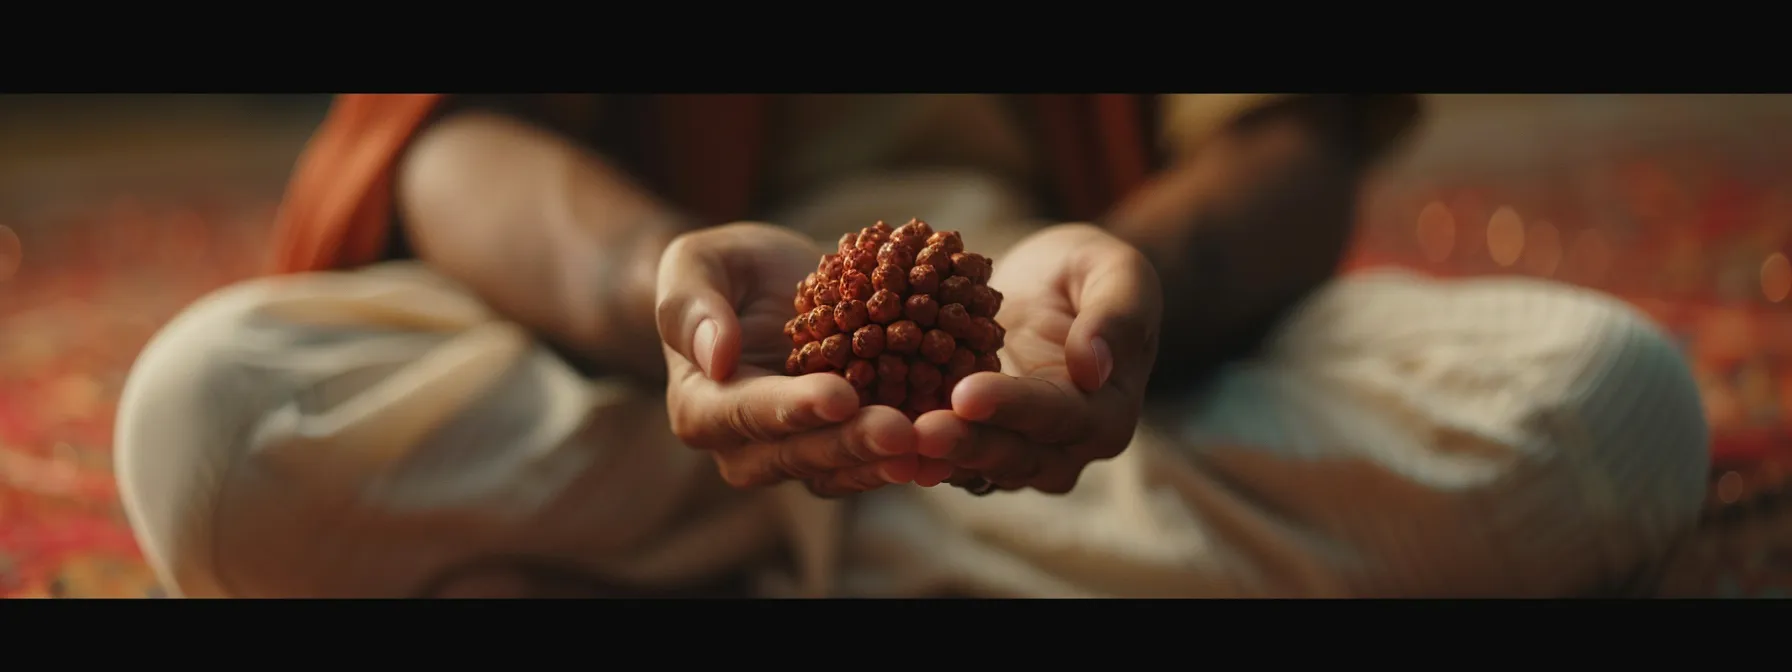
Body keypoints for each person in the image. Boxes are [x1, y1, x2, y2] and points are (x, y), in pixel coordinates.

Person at [114, 94, 1710, 597]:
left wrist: (1128, 284)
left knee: (1610, 411)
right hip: (653, 366)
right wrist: (647, 298)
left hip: (1092, 371)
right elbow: (444, 127)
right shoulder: (657, 315)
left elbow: (1287, 135)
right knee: (206, 419)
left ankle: (800, 548)